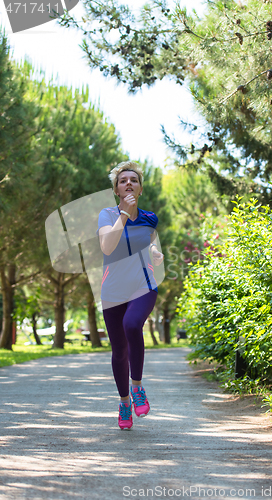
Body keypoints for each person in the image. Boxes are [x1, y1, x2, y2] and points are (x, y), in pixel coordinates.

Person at [97, 161, 164, 430]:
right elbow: (107, 245)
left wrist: (156, 255)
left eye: (133, 180)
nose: (128, 183)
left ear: (140, 187)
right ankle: (124, 403)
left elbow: (152, 247)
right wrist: (123, 213)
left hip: (143, 284)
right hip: (113, 289)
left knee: (132, 325)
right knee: (119, 350)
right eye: (123, 180)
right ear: (116, 189)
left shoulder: (150, 218)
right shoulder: (107, 214)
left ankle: (137, 387)